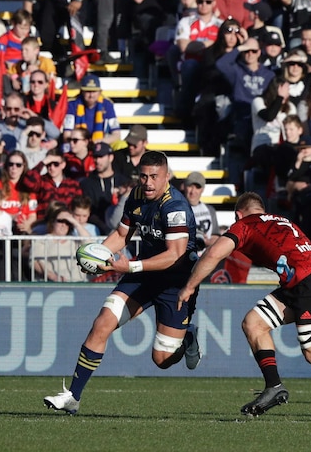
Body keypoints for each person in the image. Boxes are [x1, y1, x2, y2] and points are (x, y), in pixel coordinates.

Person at [178, 191, 311, 422]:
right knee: (254, 323)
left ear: (238, 215)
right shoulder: (283, 221)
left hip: (309, 284)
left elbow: (213, 253)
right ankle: (274, 386)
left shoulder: (246, 224)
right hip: (305, 281)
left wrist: (189, 286)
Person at [43, 151, 200, 414]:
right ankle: (73, 396)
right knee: (102, 323)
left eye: (154, 177)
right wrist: (99, 255)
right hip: (143, 275)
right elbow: (121, 234)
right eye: (144, 176)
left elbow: (174, 255)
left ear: (167, 177)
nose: (148, 182)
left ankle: (187, 339)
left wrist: (128, 265)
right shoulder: (137, 195)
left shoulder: (176, 208)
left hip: (176, 283)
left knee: (161, 359)